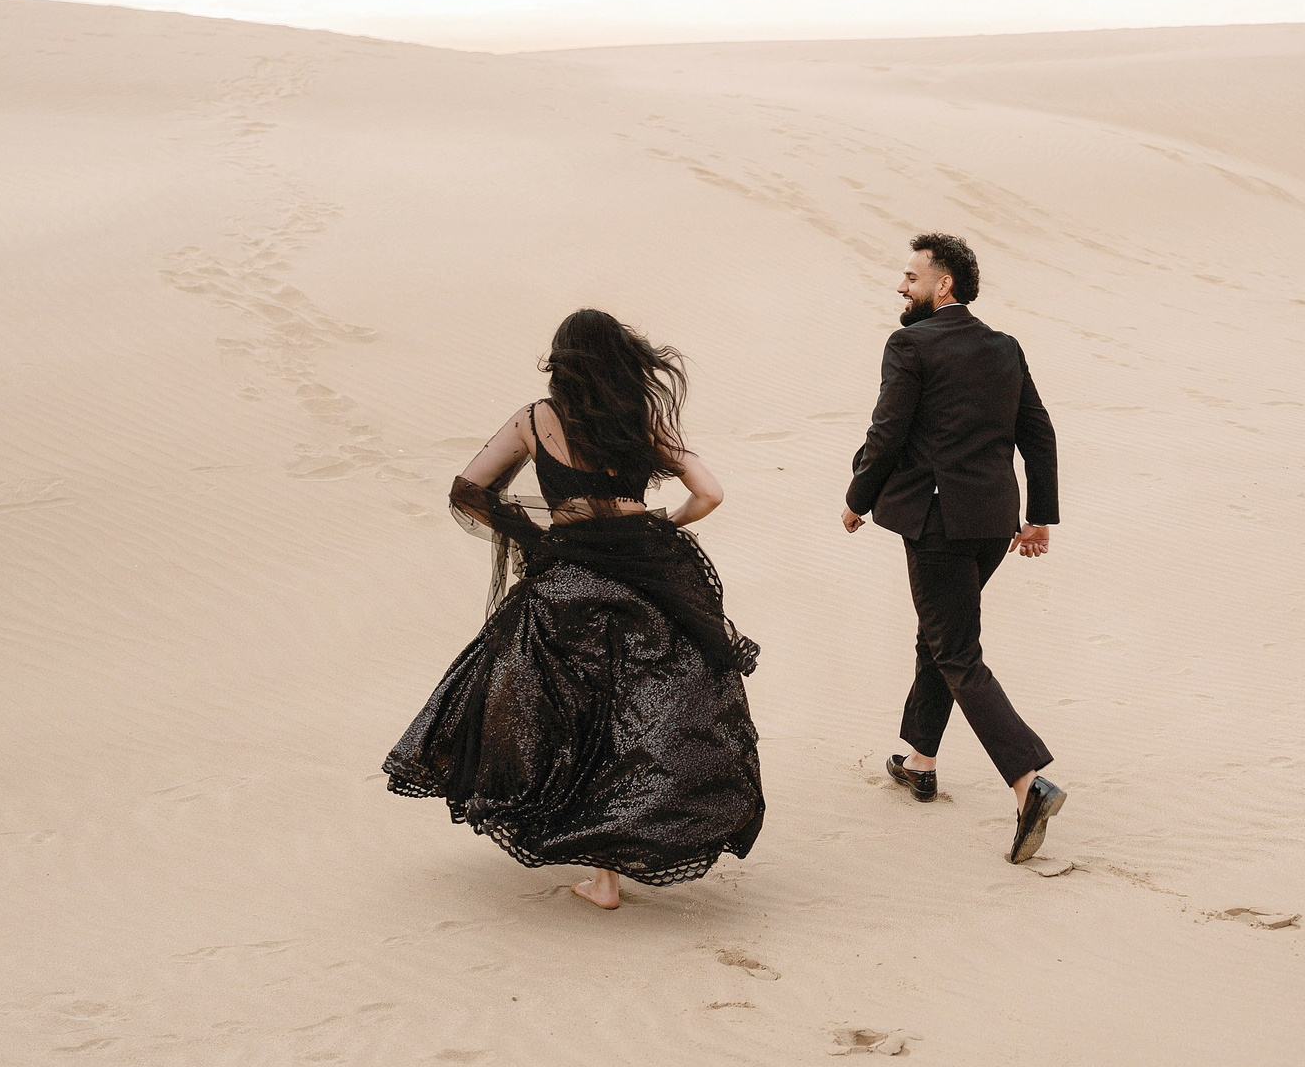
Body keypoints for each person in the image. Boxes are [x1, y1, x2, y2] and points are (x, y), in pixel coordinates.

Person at [384, 309, 764, 911]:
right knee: (640, 715)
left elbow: (468, 489)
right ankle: (617, 853)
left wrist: (533, 537)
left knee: (562, 712)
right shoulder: (638, 421)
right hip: (652, 575)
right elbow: (710, 492)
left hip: (572, 578)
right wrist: (664, 522)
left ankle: (601, 878)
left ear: (561, 363)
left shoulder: (535, 419)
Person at [841, 232, 1067, 863]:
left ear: (943, 284)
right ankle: (920, 758)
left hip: (936, 520)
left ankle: (1028, 783)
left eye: (910, 276)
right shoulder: (1004, 347)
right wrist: (1038, 517)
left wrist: (859, 497)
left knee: (956, 649)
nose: (900, 286)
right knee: (940, 631)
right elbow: (1038, 434)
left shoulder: (908, 344)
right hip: (995, 522)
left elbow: (886, 432)